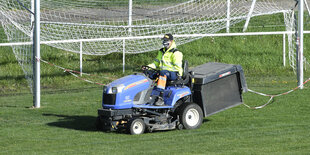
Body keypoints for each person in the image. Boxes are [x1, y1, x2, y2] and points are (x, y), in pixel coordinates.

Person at [142, 34, 183, 105]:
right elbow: (155, 63)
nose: (164, 42)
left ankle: (160, 97)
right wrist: (147, 67)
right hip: (163, 72)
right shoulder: (161, 51)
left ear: (171, 41)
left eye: (166, 40)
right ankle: (146, 94)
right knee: (148, 72)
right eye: (164, 40)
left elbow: (177, 68)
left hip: (175, 73)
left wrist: (165, 71)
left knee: (162, 73)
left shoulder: (176, 53)